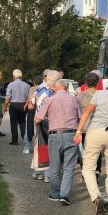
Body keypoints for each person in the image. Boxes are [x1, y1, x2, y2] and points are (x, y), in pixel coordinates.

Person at [74, 71, 108, 215]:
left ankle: (96, 197)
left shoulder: (99, 94)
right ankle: (107, 199)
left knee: (88, 168)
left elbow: (87, 112)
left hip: (96, 131)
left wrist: (79, 131)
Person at [35, 71, 80, 205]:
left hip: (54, 135)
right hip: (71, 134)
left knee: (54, 167)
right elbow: (80, 117)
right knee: (69, 167)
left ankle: (55, 193)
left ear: (56, 87)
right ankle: (64, 195)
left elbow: (37, 118)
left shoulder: (49, 100)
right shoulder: (74, 99)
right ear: (66, 88)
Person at [75, 72, 103, 178]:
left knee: (85, 151)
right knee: (97, 150)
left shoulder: (81, 96)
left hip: (85, 128)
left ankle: (85, 172)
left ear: (85, 83)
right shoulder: (101, 94)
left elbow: (77, 111)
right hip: (98, 126)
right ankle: (97, 169)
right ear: (97, 83)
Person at [4, 69, 30, 146]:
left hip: (14, 105)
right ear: (21, 76)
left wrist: (5, 106)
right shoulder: (27, 85)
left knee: (13, 123)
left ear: (13, 76)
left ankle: (15, 140)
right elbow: (29, 97)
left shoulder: (10, 85)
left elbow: (8, 97)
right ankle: (25, 138)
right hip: (23, 105)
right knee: (22, 122)